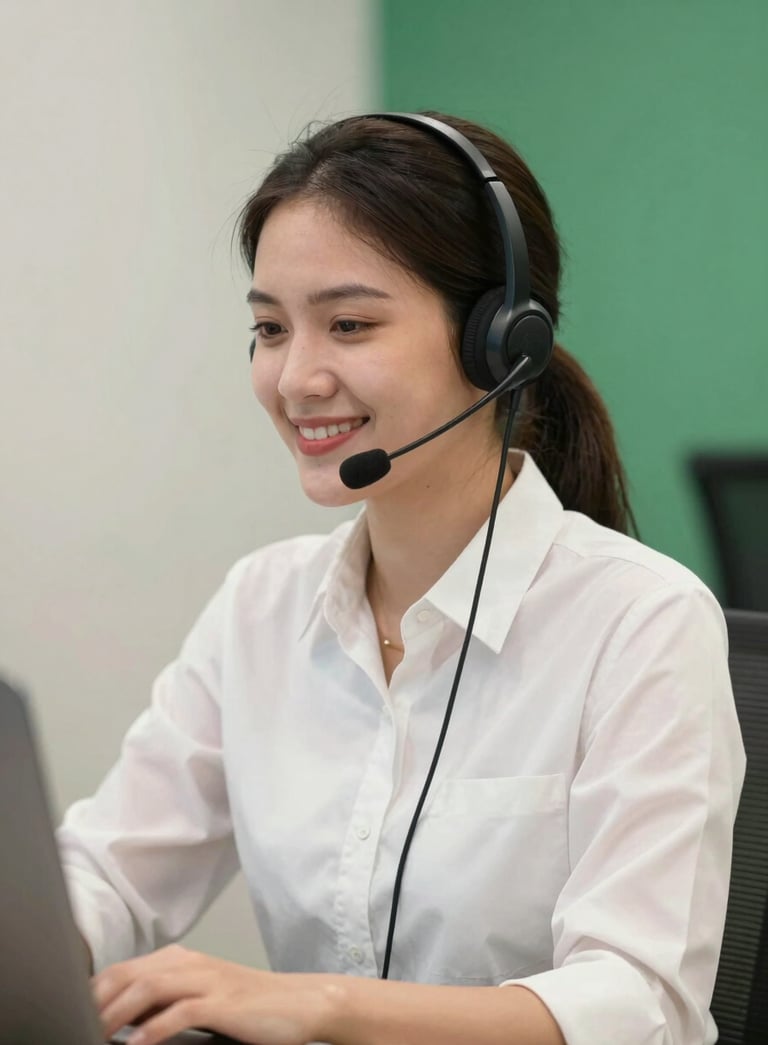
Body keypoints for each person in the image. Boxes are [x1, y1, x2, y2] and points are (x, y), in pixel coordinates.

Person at [57, 111, 745, 1045]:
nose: (296, 377)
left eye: (348, 324)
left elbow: (638, 1006)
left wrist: (323, 1005)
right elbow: (109, 874)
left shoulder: (641, 623)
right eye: (268, 328)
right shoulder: (262, 606)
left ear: (501, 341)